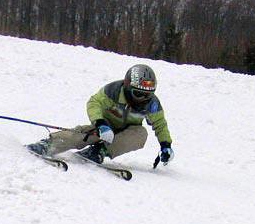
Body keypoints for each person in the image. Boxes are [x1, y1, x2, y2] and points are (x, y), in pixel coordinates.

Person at [27, 64, 174, 165]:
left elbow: (160, 125)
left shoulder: (152, 104)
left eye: (147, 95)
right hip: (104, 125)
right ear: (128, 87)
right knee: (82, 135)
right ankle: (50, 144)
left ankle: (99, 151)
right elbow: (94, 103)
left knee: (141, 134)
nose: (142, 99)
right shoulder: (113, 91)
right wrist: (100, 123)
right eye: (138, 94)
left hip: (127, 132)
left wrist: (165, 145)